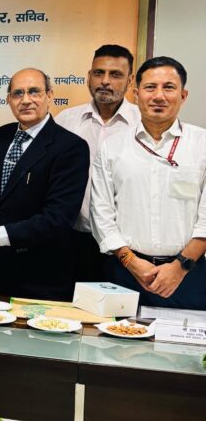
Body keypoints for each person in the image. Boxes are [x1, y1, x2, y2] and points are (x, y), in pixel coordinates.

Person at [0, 68, 89, 300]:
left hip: (40, 275)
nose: (26, 100)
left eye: (34, 92)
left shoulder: (70, 147)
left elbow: (58, 218)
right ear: (9, 99)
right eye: (18, 93)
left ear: (50, 95)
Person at [90, 56, 206, 309]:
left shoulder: (202, 144)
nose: (159, 96)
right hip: (124, 273)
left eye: (169, 87)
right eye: (150, 87)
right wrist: (131, 262)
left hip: (189, 274)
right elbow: (101, 212)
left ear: (183, 95)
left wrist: (179, 267)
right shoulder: (112, 147)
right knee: (117, 334)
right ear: (136, 94)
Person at [55, 45, 140, 280]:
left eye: (115, 74)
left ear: (130, 80)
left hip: (126, 247)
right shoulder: (65, 121)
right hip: (71, 241)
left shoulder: (142, 124)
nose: (105, 81)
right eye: (98, 73)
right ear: (88, 77)